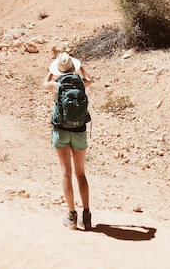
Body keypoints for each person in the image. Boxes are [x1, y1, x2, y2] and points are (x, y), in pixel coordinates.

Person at [43, 51, 93, 230]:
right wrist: (81, 69)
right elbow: (89, 79)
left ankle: (71, 216)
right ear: (74, 67)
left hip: (61, 131)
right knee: (81, 174)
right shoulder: (81, 84)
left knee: (66, 172)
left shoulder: (56, 86)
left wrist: (51, 70)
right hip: (79, 131)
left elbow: (44, 83)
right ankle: (86, 216)